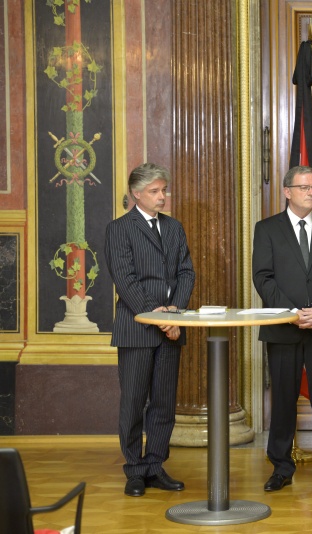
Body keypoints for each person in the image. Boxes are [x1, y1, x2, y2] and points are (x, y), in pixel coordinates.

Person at [252, 165, 312, 492]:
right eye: (304, 187)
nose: (311, 192)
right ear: (287, 191)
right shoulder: (266, 229)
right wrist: (293, 312)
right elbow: (263, 277)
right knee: (283, 399)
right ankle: (281, 467)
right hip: (283, 326)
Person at [105, 162, 195, 497]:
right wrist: (157, 315)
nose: (162, 197)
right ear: (136, 194)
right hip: (137, 327)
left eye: (164, 190)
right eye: (155, 191)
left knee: (163, 402)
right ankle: (134, 470)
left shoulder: (174, 228)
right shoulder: (119, 229)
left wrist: (175, 313)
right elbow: (125, 280)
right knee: (133, 401)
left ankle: (155, 466)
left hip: (172, 326)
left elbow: (186, 272)